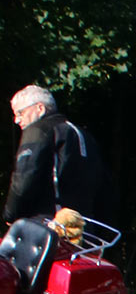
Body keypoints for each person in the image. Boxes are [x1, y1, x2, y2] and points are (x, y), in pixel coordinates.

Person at [4, 85, 112, 224]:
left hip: (49, 223)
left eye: (20, 113)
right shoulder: (84, 135)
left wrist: (10, 214)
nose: (17, 120)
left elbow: (24, 179)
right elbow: (104, 185)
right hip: (83, 226)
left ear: (40, 108)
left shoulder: (38, 130)